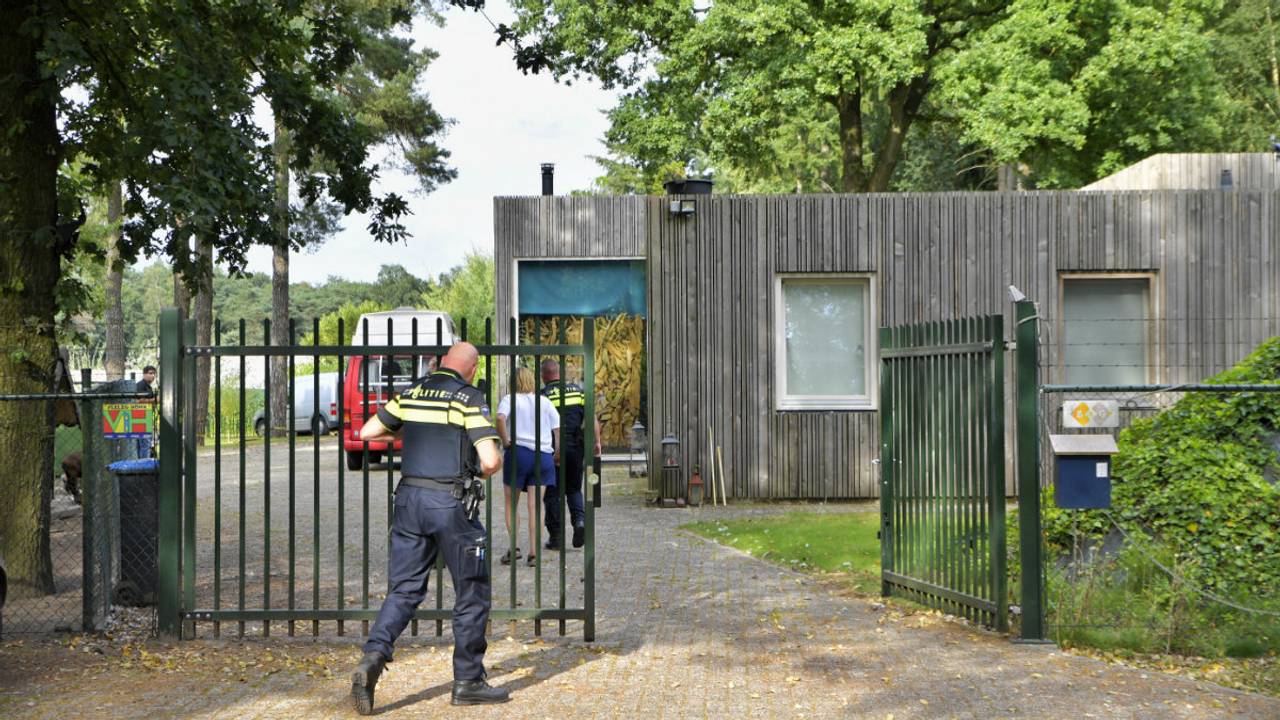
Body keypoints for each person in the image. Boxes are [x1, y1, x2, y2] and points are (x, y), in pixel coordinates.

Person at [348, 342, 508, 714]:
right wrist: (477, 461)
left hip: (408, 502)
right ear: (472, 368)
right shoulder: (468, 398)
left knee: (403, 590)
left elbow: (370, 431)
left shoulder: (412, 392)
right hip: (450, 504)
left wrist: (411, 439)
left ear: (442, 363)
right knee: (471, 590)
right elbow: (490, 460)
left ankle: (373, 658)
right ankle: (468, 681)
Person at [495, 367, 559, 566]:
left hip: (519, 454)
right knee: (536, 506)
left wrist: (505, 441)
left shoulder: (510, 399)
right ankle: (534, 553)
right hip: (543, 456)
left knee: (511, 504)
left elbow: (499, 418)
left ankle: (514, 548)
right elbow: (557, 429)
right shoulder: (545, 401)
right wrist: (555, 452)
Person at [539, 359, 601, 550]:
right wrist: (597, 442)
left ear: (543, 376)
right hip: (576, 447)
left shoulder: (542, 396)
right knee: (574, 489)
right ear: (559, 373)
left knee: (553, 493)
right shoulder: (577, 391)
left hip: (552, 449)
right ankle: (579, 522)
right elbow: (592, 418)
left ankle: (556, 537)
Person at [136, 366, 157, 458]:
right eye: (150, 373)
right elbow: (139, 401)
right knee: (145, 445)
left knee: (144, 444)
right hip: (140, 418)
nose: (152, 376)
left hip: (145, 417)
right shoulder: (141, 385)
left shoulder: (148, 387)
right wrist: (155, 400)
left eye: (154, 374)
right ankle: (143, 465)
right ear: (144, 374)